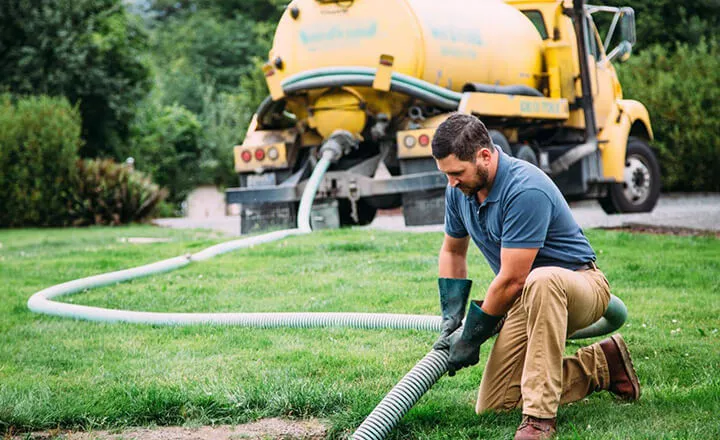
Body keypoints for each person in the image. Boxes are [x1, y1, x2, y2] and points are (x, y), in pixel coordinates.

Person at [430, 113, 640, 440]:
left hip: (579, 286)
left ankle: (539, 419)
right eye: (446, 174)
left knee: (541, 279)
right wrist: (452, 315)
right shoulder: (459, 191)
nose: (452, 183)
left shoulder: (525, 188)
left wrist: (472, 336)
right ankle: (603, 365)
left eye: (457, 173)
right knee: (496, 403)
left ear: (485, 155)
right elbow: (453, 252)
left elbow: (514, 278)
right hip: (526, 298)